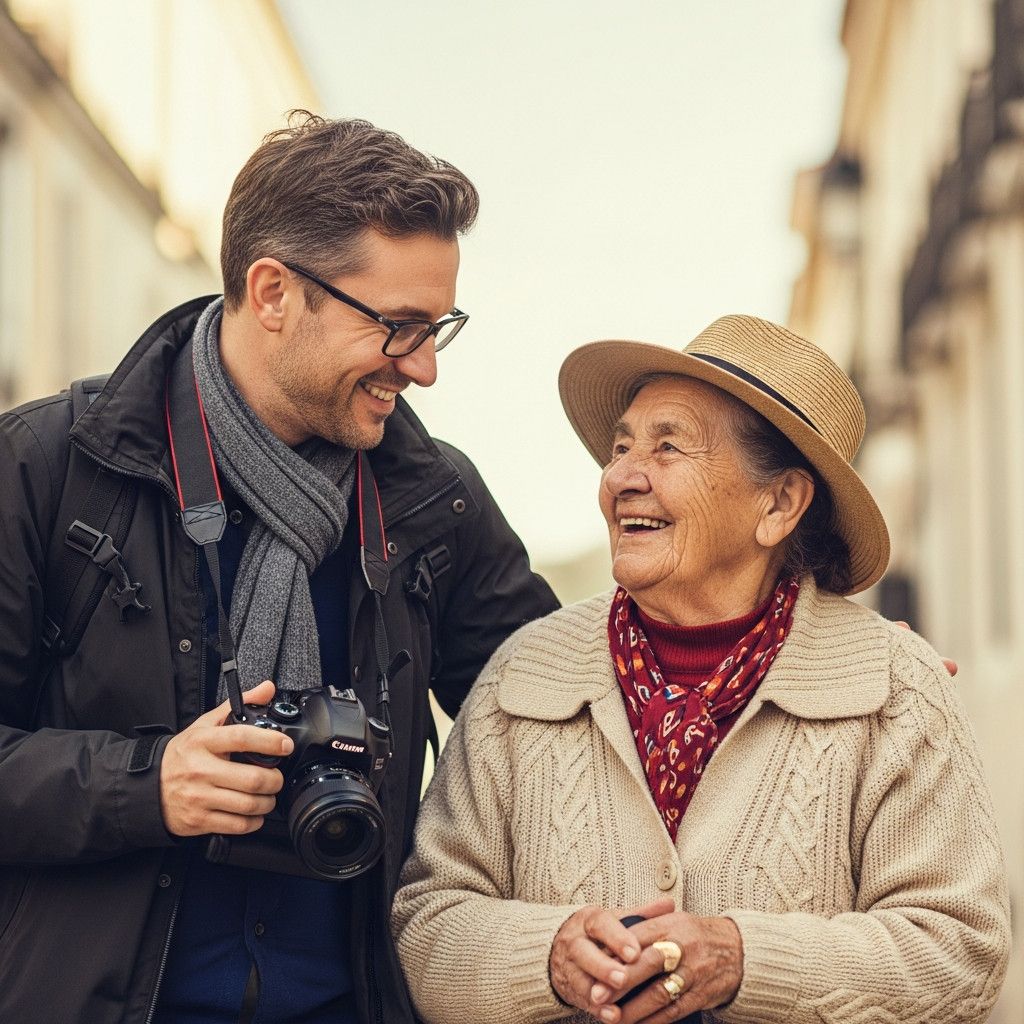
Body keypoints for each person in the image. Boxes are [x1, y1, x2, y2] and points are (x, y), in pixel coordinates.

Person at [0, 113, 557, 1024]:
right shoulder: (44, 468)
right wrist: (151, 784)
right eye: (398, 326)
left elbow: (554, 726)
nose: (423, 368)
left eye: (438, 327)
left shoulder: (434, 499)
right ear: (271, 292)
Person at [391, 315, 1011, 1024]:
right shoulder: (524, 674)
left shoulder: (896, 688)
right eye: (621, 447)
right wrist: (548, 956)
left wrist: (746, 959)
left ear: (778, 504)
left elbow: (960, 953)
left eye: (668, 447)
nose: (621, 476)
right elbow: (425, 926)